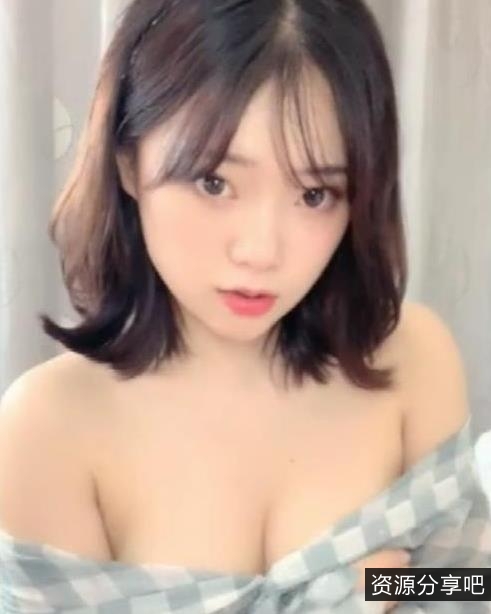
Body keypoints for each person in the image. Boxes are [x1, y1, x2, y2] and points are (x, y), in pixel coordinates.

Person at [0, 1, 489, 613]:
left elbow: (469, 584)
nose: (261, 251)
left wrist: (377, 587)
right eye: (214, 181)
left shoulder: (410, 356)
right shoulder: (47, 429)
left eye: (315, 194)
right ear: (128, 162)